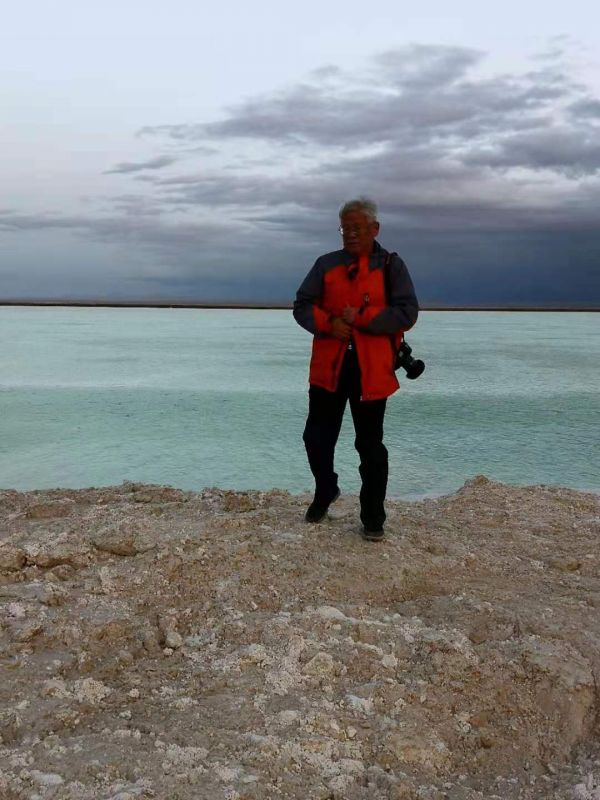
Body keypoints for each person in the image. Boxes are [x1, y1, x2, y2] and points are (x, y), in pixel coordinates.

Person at [293, 198, 419, 541]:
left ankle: (373, 518)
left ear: (374, 229)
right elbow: (302, 305)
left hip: (372, 371)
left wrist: (361, 318)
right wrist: (329, 324)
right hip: (328, 369)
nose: (350, 233)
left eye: (357, 228)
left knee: (369, 446)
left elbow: (407, 313)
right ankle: (326, 489)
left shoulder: (391, 265)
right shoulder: (325, 264)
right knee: (316, 439)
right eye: (345, 228)